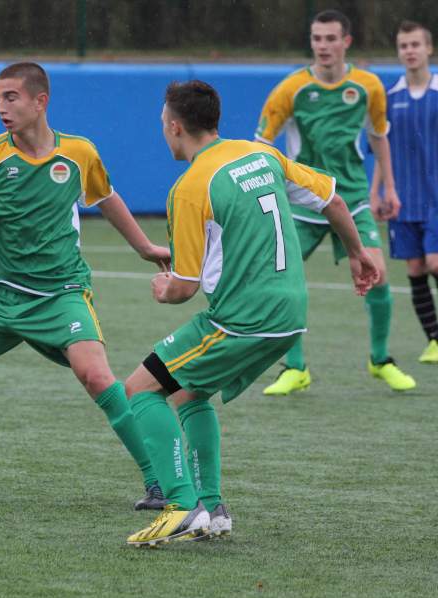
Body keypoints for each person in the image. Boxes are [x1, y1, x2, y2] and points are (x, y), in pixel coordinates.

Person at [0, 62, 171, 508]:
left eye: (11, 97)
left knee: (97, 377)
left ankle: (158, 479)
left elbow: (106, 198)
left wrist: (144, 248)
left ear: (39, 101)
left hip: (61, 295)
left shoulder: (79, 153)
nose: (1, 107)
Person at [124, 81, 379, 547]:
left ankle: (181, 507)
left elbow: (183, 288)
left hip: (241, 320)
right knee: (188, 394)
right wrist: (358, 253)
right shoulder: (261, 155)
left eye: (163, 124)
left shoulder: (189, 188)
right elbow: (334, 201)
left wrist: (164, 289)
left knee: (140, 389)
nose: (164, 131)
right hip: (290, 314)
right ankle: (212, 508)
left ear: (176, 127)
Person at [255, 8, 415, 395]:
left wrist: (388, 188)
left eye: (330, 39)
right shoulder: (288, 90)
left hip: (354, 199)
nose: (323, 46)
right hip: (302, 203)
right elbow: (261, 144)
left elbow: (379, 137)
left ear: (346, 42)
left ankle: (380, 360)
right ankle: (294, 368)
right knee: (280, 281)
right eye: (316, 39)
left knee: (376, 275)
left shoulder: (368, 86)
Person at [378, 20, 438, 364]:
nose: (410, 51)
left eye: (415, 44)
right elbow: (379, 146)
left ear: (428, 48)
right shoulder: (390, 97)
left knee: (434, 262)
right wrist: (378, 191)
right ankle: (434, 339)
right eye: (404, 46)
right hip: (404, 198)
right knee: (415, 268)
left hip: (436, 198)